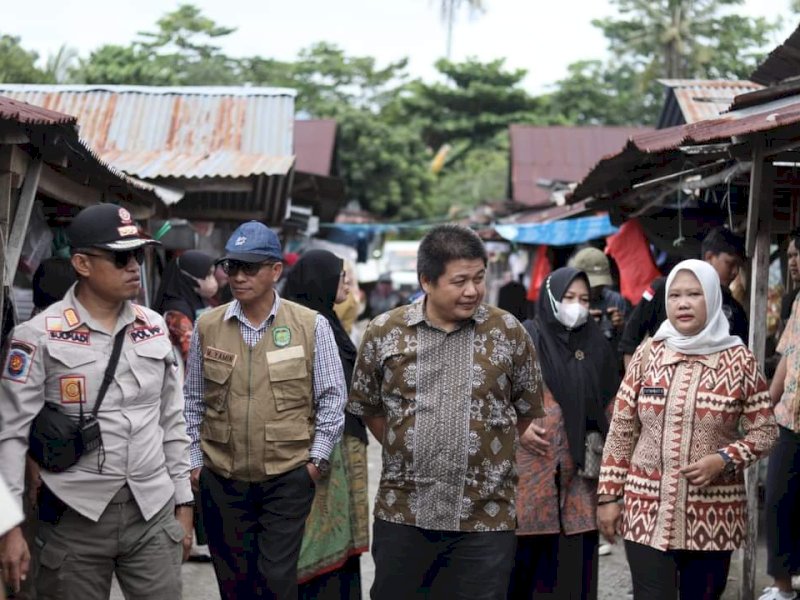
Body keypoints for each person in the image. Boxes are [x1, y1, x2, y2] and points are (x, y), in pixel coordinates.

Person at [0, 203, 194, 600]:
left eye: (138, 256)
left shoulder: (153, 326)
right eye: (121, 257)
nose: (134, 267)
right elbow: (10, 437)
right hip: (74, 516)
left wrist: (184, 504)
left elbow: (172, 420)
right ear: (82, 264)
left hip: (151, 510)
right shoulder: (37, 336)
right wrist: (9, 527)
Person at [348, 224, 545, 600]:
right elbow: (370, 408)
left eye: (478, 278)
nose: (472, 290)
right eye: (459, 281)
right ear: (427, 281)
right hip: (404, 511)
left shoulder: (508, 332)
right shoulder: (384, 333)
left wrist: (483, 448)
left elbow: (523, 409)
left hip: (486, 518)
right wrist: (411, 444)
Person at [183, 221, 347, 600]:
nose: (238, 277)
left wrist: (314, 462)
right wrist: (195, 463)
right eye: (232, 267)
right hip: (222, 476)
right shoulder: (208, 324)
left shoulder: (310, 325)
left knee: (276, 581)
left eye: (249, 268)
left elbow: (332, 398)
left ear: (275, 271)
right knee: (234, 583)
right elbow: (192, 401)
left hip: (287, 476)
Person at [597, 259, 778, 600]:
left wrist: (724, 459)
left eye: (693, 294)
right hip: (646, 511)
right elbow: (622, 427)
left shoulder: (739, 360)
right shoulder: (648, 354)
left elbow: (765, 431)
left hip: (713, 518)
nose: (682, 303)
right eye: (675, 295)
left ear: (711, 297)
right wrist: (609, 496)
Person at [510, 267, 620, 599]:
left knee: (573, 578)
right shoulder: (525, 338)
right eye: (569, 297)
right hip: (530, 485)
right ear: (551, 297)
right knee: (523, 577)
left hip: (581, 482)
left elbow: (614, 411)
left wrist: (611, 493)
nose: (577, 306)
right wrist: (519, 424)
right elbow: (494, 396)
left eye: (584, 299)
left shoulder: (597, 344)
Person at [283, 249, 369, 600]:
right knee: (314, 543)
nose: (347, 282)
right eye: (340, 276)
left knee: (341, 541)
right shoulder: (301, 326)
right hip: (318, 452)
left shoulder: (330, 322)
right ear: (319, 281)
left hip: (343, 448)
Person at [152, 249, 218, 562]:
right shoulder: (177, 314)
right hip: (179, 401)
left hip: (182, 398)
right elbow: (196, 360)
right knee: (188, 468)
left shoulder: (186, 307)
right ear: (190, 279)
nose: (212, 280)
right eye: (206, 275)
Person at [620, 227, 749, 367]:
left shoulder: (735, 311)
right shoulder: (662, 289)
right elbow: (629, 342)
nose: (735, 272)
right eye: (730, 264)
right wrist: (636, 385)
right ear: (709, 257)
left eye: (695, 295)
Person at [760, 239, 800, 600]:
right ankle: (782, 586)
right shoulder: (799, 303)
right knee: (777, 500)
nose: (792, 262)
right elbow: (785, 362)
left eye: (797, 255)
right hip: (790, 419)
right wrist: (765, 409)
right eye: (788, 255)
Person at [569, 247, 629, 356]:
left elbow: (626, 343)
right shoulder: (569, 302)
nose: (596, 289)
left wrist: (622, 326)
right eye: (592, 284)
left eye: (600, 284)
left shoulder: (615, 300)